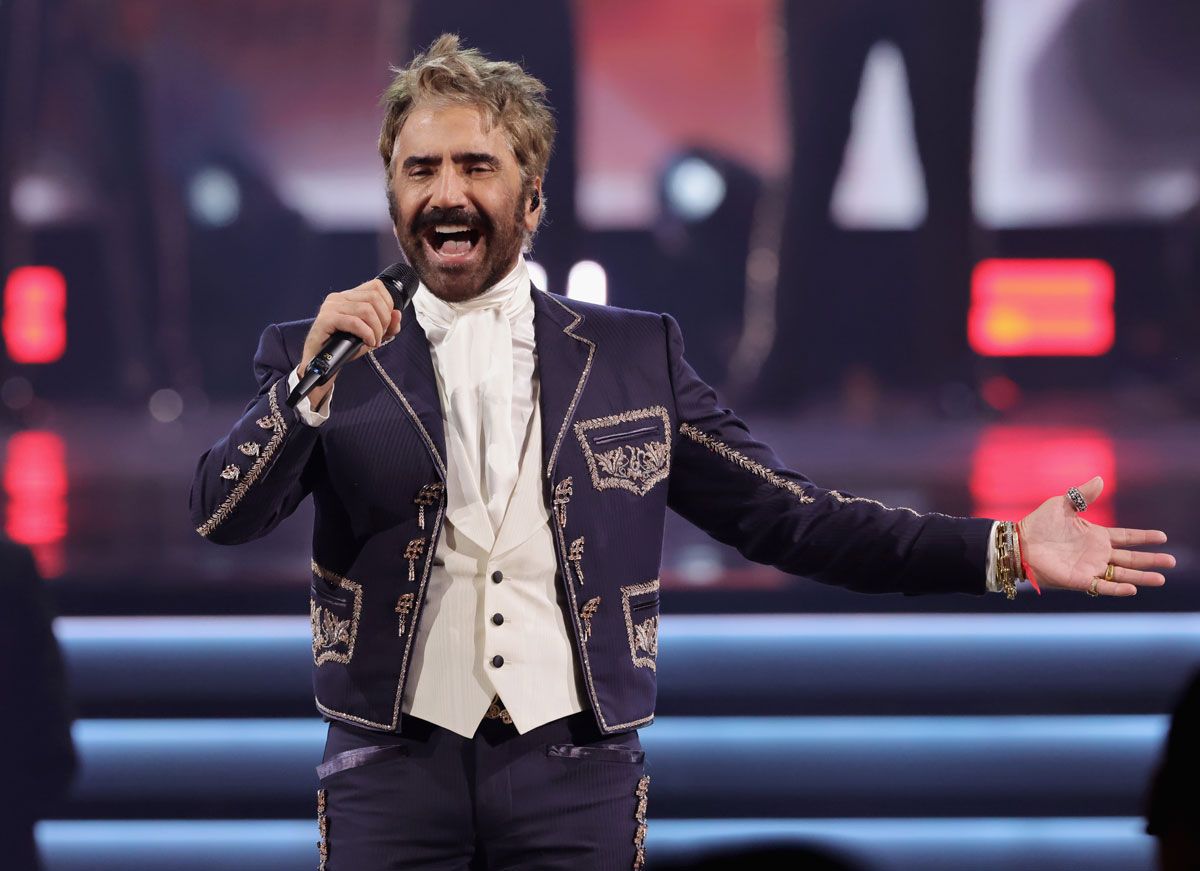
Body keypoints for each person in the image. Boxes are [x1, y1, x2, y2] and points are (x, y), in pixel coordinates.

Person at [189, 35, 1175, 871]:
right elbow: (221, 515)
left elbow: (790, 518)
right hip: (387, 778)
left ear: (531, 199)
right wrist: (305, 388)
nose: (447, 192)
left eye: (476, 167)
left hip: (574, 781)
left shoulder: (630, 357)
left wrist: (1004, 548)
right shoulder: (321, 354)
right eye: (421, 169)